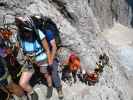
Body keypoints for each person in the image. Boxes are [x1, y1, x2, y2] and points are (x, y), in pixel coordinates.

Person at [15, 16, 53, 99]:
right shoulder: (19, 35)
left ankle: (50, 86)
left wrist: (49, 62)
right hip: (29, 60)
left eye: (28, 31)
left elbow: (47, 49)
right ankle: (33, 93)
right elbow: (19, 47)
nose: (26, 33)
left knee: (45, 74)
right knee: (22, 83)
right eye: (24, 31)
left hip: (41, 58)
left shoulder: (38, 33)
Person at [31, 15, 64, 99]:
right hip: (43, 53)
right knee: (43, 70)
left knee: (53, 72)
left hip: (51, 52)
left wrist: (51, 60)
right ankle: (47, 82)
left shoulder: (47, 32)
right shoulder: (35, 32)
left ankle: (59, 88)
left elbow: (54, 47)